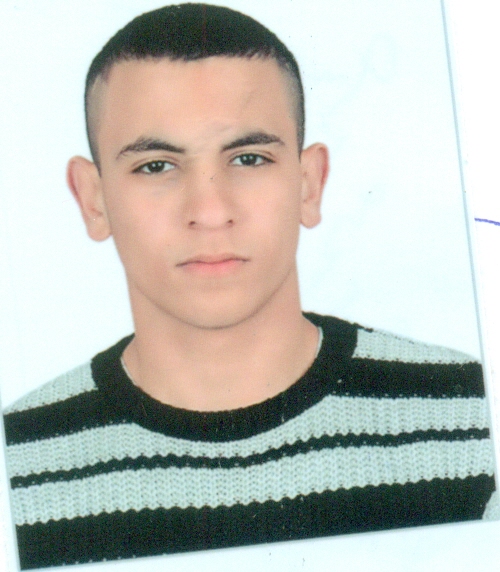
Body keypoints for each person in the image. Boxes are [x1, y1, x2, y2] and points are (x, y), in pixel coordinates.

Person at [3, 3, 496, 569]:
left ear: (309, 184)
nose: (211, 211)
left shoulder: (470, 417)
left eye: (249, 158)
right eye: (156, 166)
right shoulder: (19, 463)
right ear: (93, 200)